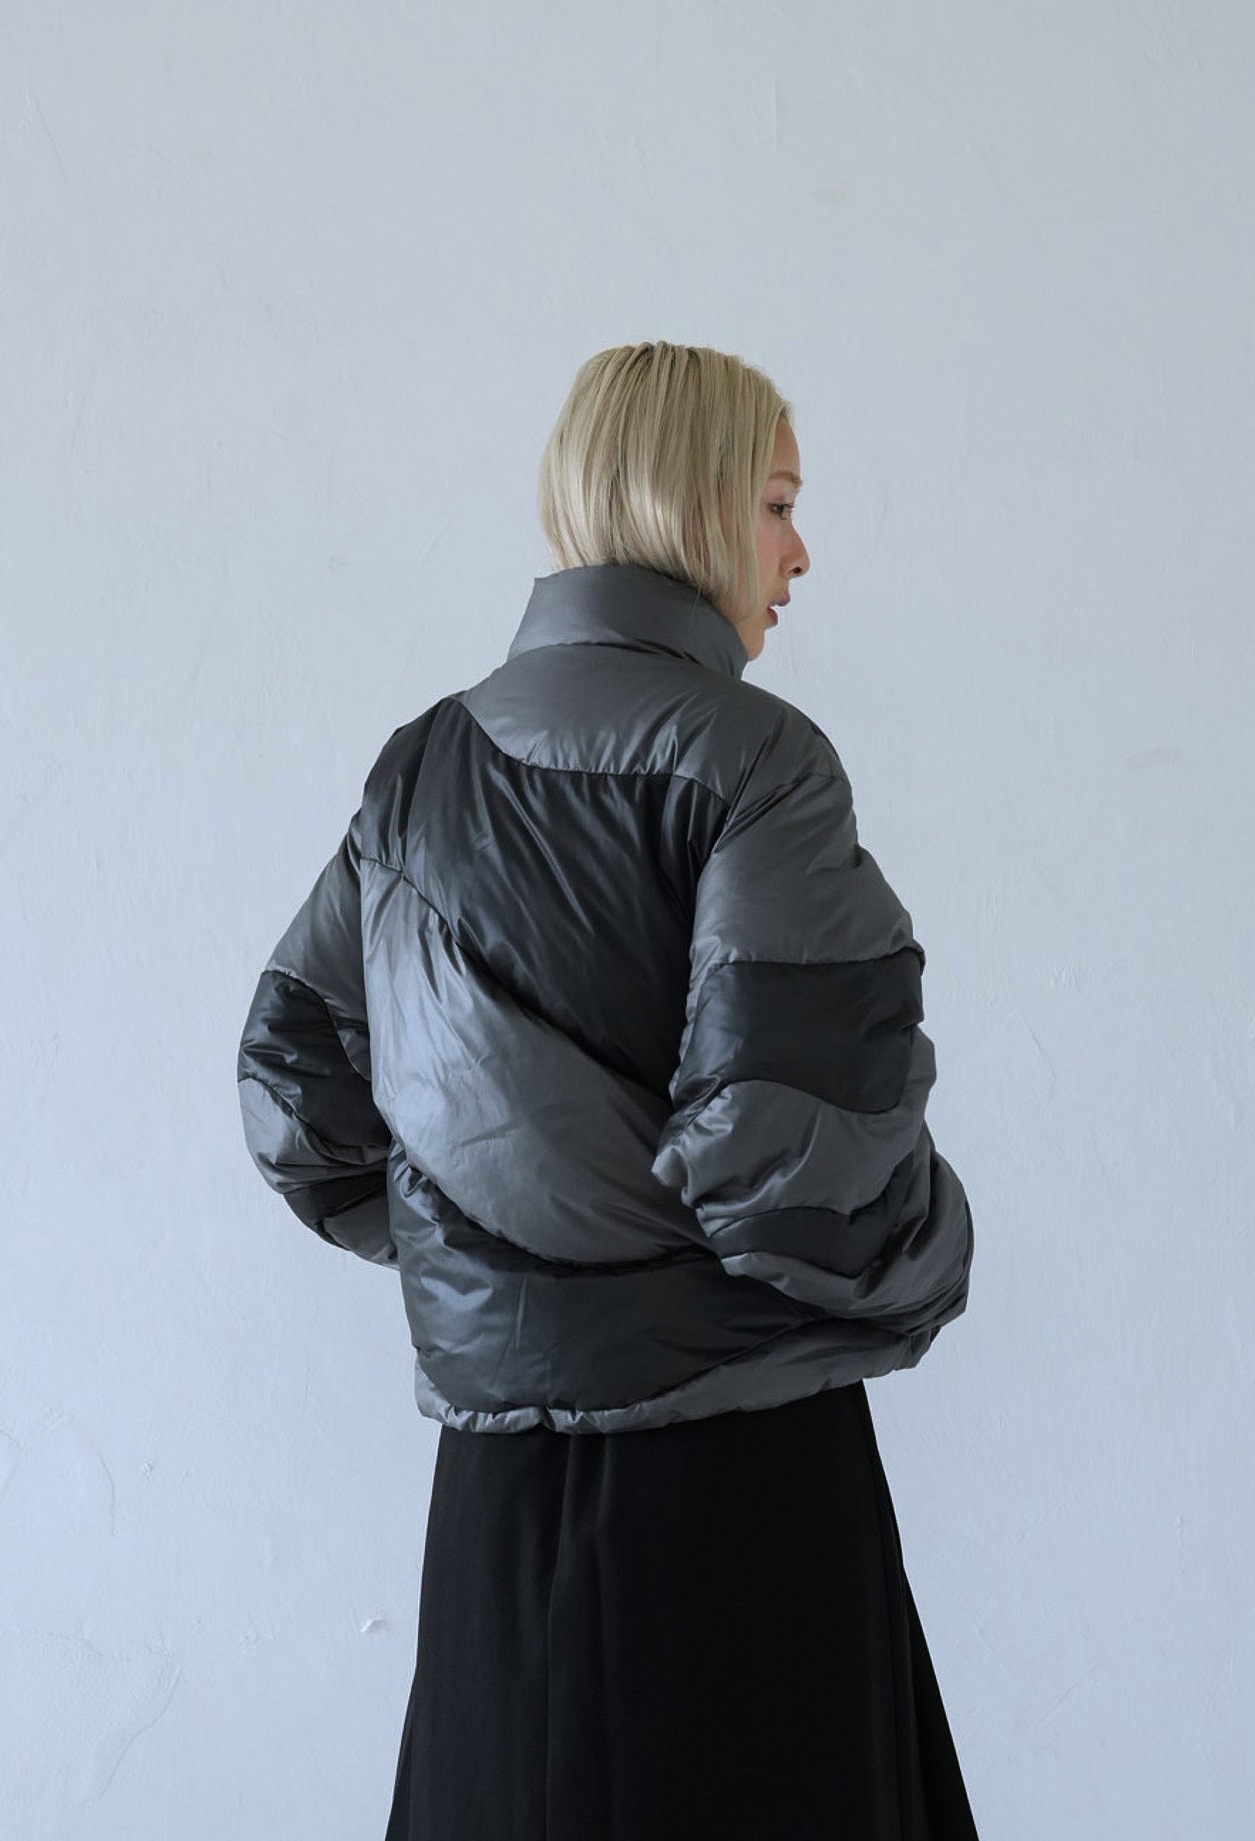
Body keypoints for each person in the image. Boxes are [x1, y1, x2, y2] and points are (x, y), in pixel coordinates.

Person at [236, 341, 980, 1839]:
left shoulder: (420, 773)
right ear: (694, 503)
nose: (799, 554)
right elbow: (799, 1172)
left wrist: (499, 1245)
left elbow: (299, 1102)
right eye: (778, 504)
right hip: (736, 1492)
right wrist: (940, 1260)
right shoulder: (756, 763)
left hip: (498, 1505)